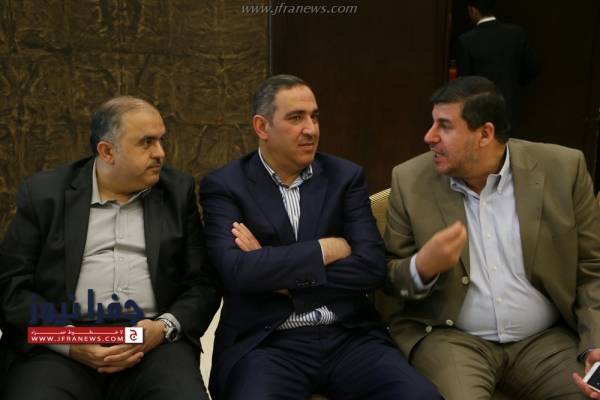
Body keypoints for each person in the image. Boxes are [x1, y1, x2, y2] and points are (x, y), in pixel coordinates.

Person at [200, 74, 441, 400]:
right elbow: (236, 271)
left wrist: (276, 274)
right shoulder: (226, 186)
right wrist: (325, 250)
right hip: (267, 344)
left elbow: (371, 268)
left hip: (348, 337)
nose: (311, 129)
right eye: (296, 118)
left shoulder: (345, 177)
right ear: (262, 127)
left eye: (314, 117)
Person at [383, 75, 600, 399]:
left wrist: (596, 342)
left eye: (444, 126)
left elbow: (591, 268)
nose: (429, 137)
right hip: (452, 339)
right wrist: (421, 267)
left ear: (485, 133)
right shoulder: (409, 180)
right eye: (432, 123)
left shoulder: (564, 169)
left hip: (545, 340)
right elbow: (388, 279)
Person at [0, 96, 221, 399]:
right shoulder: (44, 194)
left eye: (161, 140)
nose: (160, 153)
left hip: (150, 345)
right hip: (61, 343)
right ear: (107, 151)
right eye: (146, 142)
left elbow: (203, 283)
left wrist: (162, 328)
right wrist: (68, 341)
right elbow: (12, 286)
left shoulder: (176, 191)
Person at [456, 0, 539, 135]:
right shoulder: (516, 33)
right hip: (511, 105)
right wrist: (513, 86)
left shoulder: (466, 40)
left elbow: (464, 84)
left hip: (480, 109)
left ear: (473, 10)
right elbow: (532, 69)